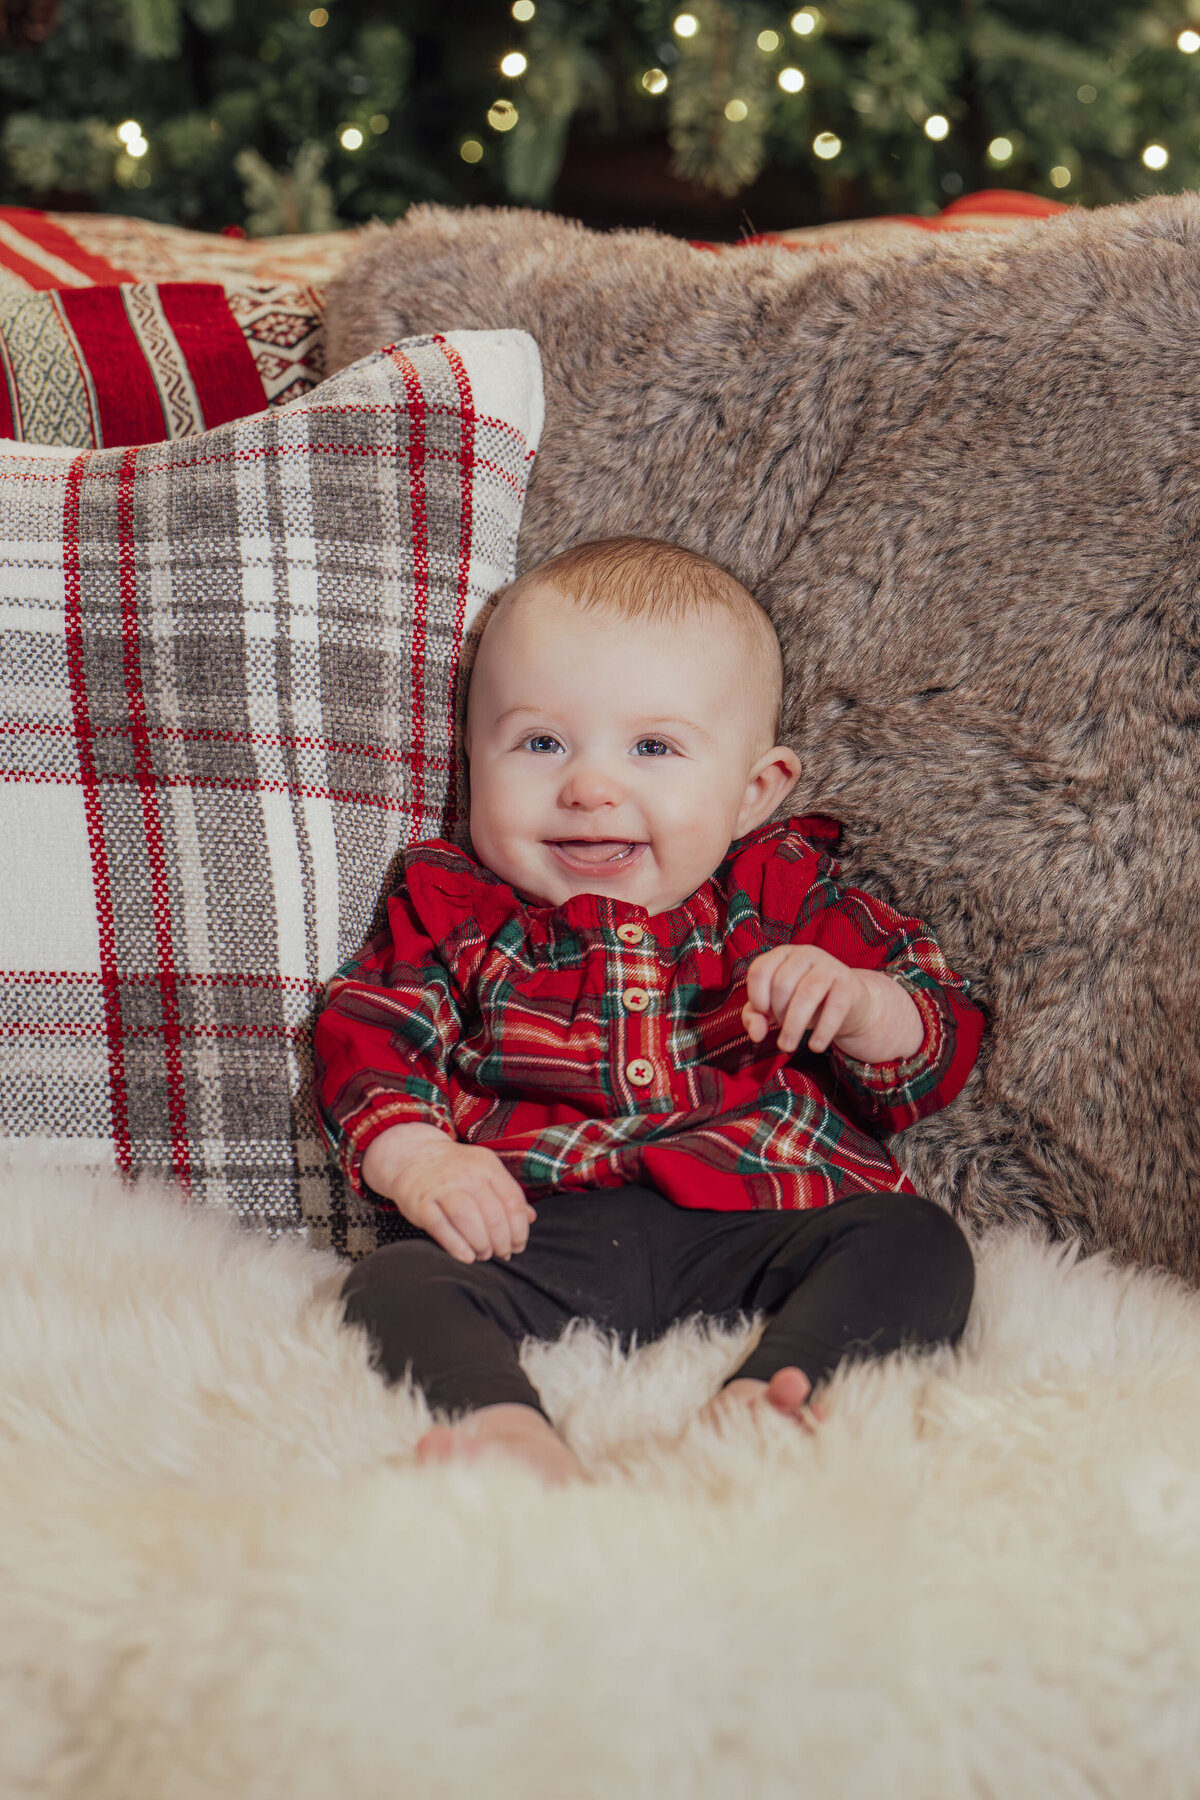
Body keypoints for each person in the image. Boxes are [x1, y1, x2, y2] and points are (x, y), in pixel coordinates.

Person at [314, 536, 985, 1487]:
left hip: (763, 1218)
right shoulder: (457, 908)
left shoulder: (784, 900)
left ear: (754, 792)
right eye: (540, 743)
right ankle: (507, 1431)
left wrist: (868, 1008)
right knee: (391, 1285)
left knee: (917, 1242)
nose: (590, 787)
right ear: (472, 761)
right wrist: (416, 1154)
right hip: (539, 1231)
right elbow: (373, 1031)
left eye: (654, 748)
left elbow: (939, 1045)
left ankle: (771, 1396)